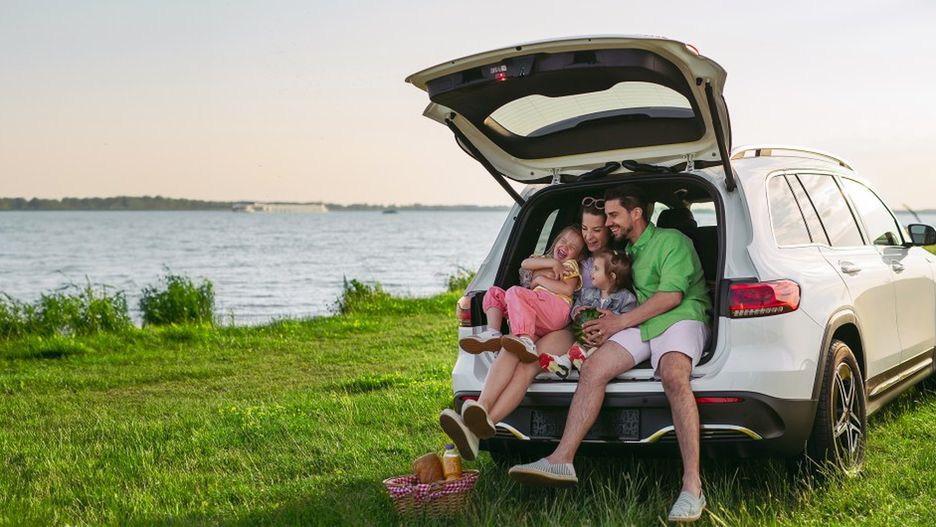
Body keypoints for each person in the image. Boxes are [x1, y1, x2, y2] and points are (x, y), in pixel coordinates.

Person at [508, 184, 712, 524]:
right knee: (592, 369)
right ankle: (561, 459)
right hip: (642, 321)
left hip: (680, 317)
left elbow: (671, 297)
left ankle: (692, 486)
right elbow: (612, 290)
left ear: (637, 213)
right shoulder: (625, 252)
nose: (609, 222)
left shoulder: (673, 241)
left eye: (614, 215)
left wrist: (618, 322)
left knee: (674, 374)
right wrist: (602, 316)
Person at [439, 201, 612, 462]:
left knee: (526, 368)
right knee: (509, 351)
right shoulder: (551, 259)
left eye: (596, 229)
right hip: (533, 315)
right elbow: (525, 267)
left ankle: (483, 426)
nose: (590, 235)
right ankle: (479, 412)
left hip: (565, 325)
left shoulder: (611, 260)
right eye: (586, 229)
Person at [457, 224, 584, 361]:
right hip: (538, 311)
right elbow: (525, 263)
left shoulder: (570, 265)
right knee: (495, 293)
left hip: (556, 310)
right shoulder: (544, 260)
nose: (565, 246)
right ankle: (493, 333)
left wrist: (539, 279)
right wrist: (553, 263)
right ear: (556, 241)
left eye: (572, 247)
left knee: (515, 292)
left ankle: (526, 340)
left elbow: (567, 289)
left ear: (578, 257)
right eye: (563, 241)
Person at [539, 249, 638, 377]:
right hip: (585, 336)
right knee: (577, 345)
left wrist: (612, 318)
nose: (591, 272)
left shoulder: (626, 298)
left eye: (596, 269)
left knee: (592, 349)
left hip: (607, 341)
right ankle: (565, 363)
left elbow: (628, 320)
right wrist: (576, 311)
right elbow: (576, 306)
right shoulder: (587, 293)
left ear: (612, 277)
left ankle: (583, 361)